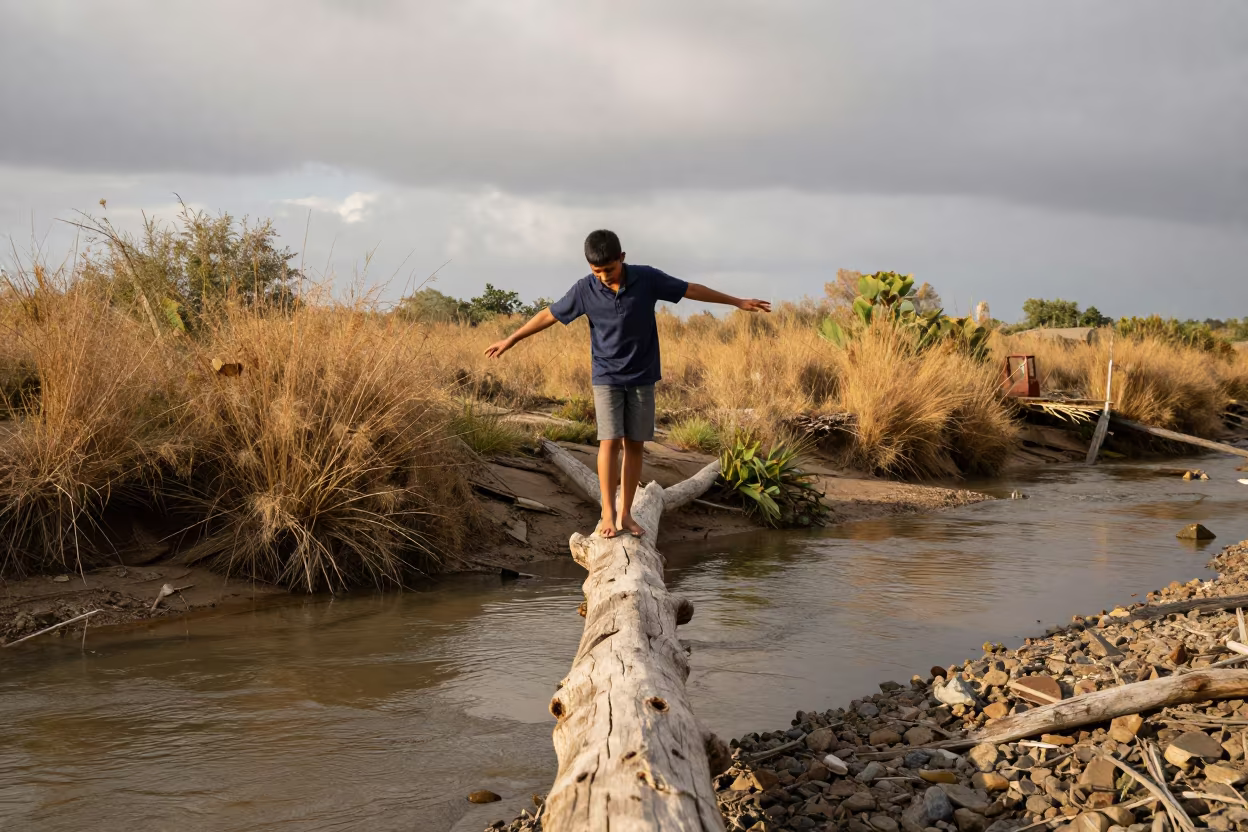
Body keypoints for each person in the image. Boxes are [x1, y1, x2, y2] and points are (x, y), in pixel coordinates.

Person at [484, 229, 770, 538]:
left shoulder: (647, 278)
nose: (604, 276)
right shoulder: (584, 290)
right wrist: (511, 339)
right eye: (597, 271)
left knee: (635, 444)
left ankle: (626, 514)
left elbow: (691, 290)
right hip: (607, 376)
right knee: (610, 441)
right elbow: (548, 315)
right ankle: (608, 512)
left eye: (609, 269)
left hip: (642, 376)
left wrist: (737, 302)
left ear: (622, 258)